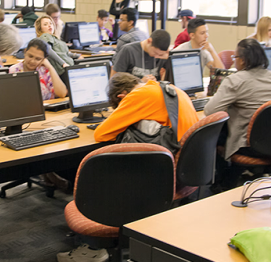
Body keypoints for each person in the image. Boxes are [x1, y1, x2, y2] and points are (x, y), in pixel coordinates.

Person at [58, 72, 198, 262]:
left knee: (104, 168)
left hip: (161, 177)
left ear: (121, 97)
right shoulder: (166, 88)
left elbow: (101, 134)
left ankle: (96, 248)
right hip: (183, 169)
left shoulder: (136, 96)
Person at [204, 38, 271, 161]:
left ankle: (223, 178)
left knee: (216, 135)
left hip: (246, 145)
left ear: (243, 60)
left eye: (235, 57)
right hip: (268, 143)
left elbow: (209, 110)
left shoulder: (235, 80)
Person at [35, 15, 82, 81]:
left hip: (67, 67)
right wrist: (63, 63)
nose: (49, 25)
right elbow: (48, 49)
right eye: (45, 24)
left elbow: (62, 52)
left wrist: (76, 55)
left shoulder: (53, 38)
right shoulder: (45, 36)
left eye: (50, 23)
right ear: (40, 29)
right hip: (62, 70)